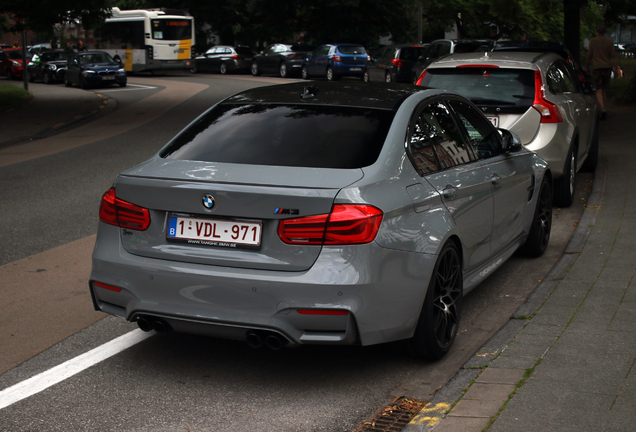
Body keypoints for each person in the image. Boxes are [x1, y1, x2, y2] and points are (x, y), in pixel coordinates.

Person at [586, 23, 620, 120]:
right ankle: (602, 107)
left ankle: (602, 108)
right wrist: (616, 68)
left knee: (598, 89)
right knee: (604, 88)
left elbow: (589, 55)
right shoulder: (609, 41)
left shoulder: (593, 41)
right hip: (607, 67)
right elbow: (613, 56)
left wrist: (587, 67)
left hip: (597, 67)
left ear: (597, 31)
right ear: (605, 31)